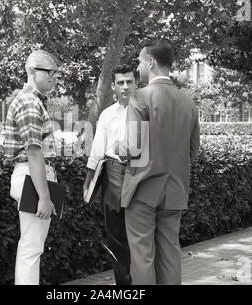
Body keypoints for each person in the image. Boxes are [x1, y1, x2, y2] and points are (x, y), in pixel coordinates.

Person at [119, 41, 200, 285]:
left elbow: (133, 148)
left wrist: (118, 149)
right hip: (175, 190)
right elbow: (192, 151)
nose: (138, 66)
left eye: (140, 61)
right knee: (170, 253)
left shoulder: (140, 97)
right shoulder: (189, 104)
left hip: (143, 188)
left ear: (151, 62)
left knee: (142, 256)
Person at [4, 49, 61, 285]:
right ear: (31, 71)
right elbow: (34, 151)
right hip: (32, 176)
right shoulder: (29, 102)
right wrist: (44, 197)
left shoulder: (32, 100)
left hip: (30, 176)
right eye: (49, 72)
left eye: (56, 73)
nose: (54, 77)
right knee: (31, 248)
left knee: (31, 245)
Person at [83, 64, 136, 285]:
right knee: (115, 234)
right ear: (113, 87)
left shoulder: (146, 111)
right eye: (120, 83)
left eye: (129, 82)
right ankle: (124, 285)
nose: (125, 87)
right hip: (113, 172)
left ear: (136, 83)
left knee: (138, 232)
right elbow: (96, 150)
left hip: (139, 171)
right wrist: (88, 182)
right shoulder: (106, 115)